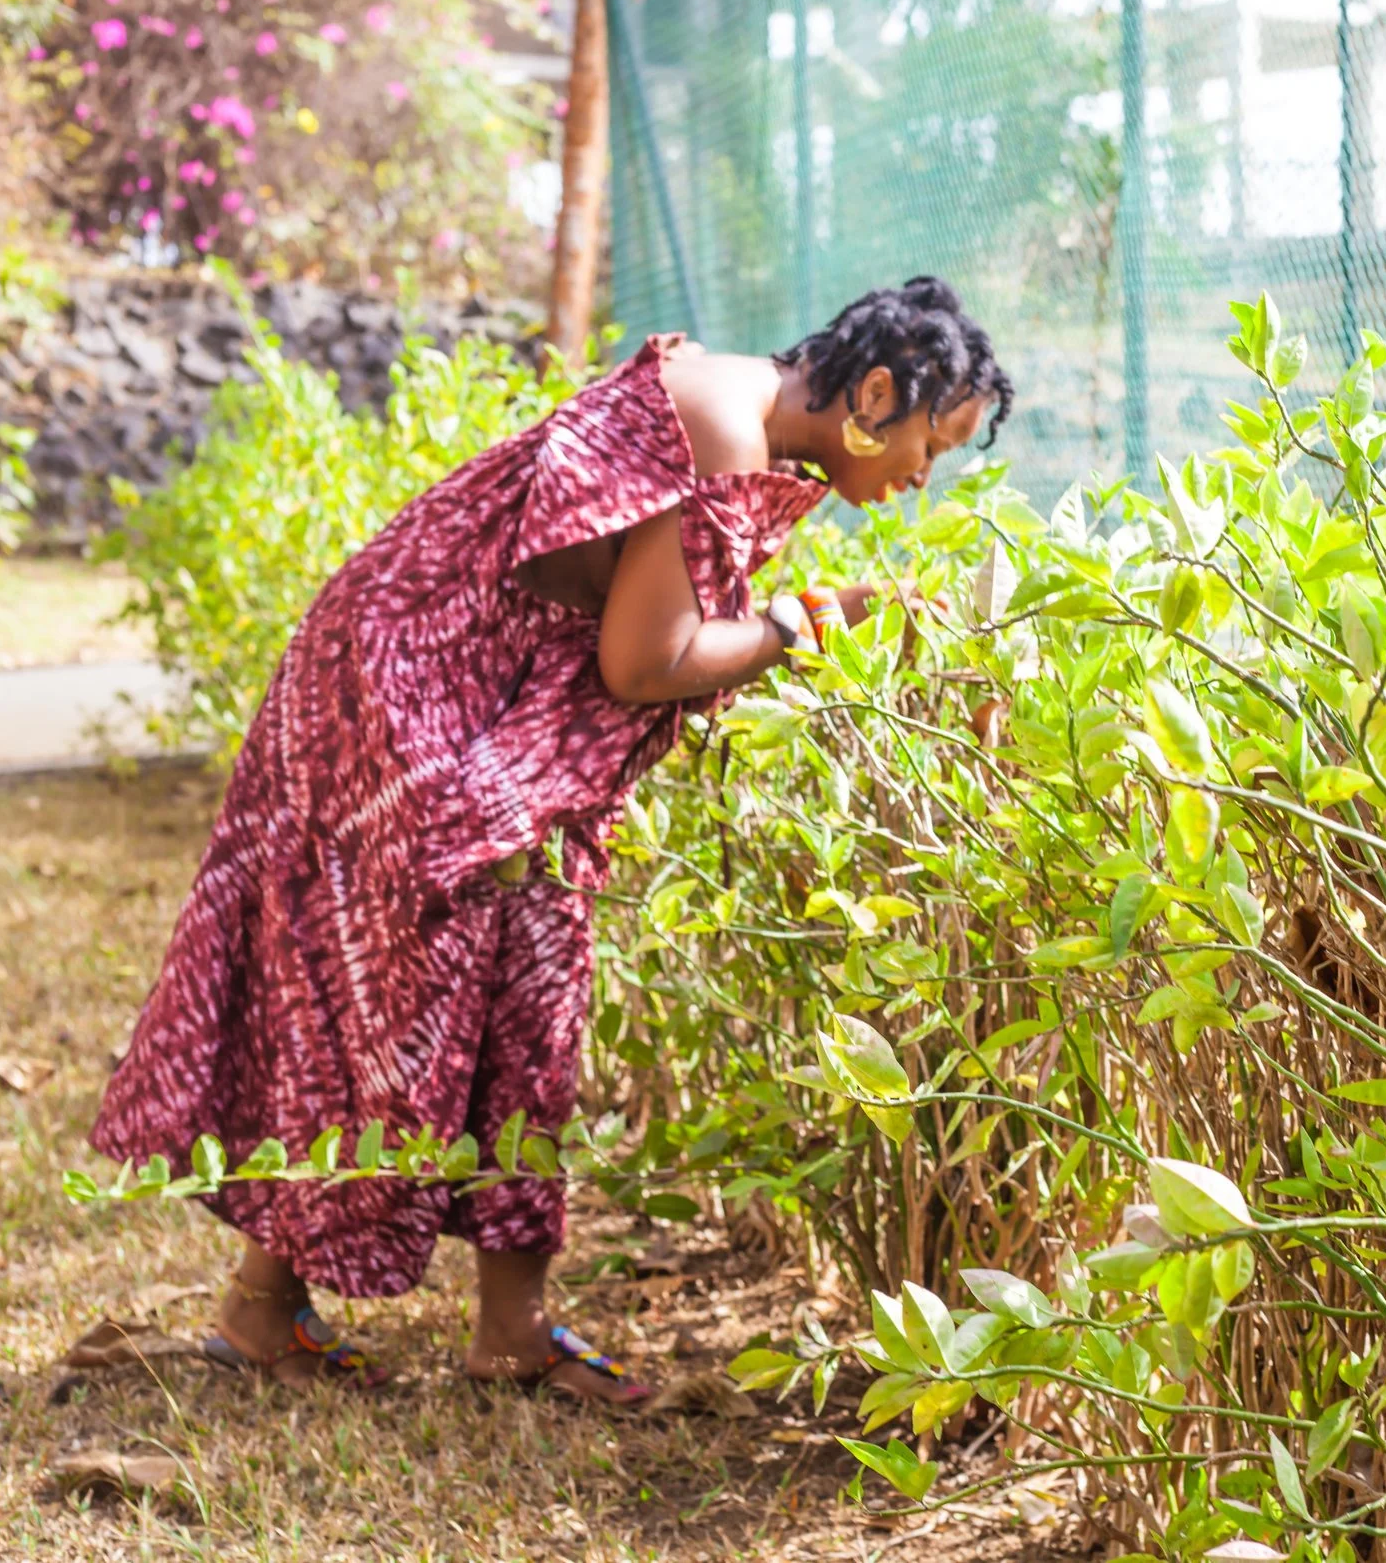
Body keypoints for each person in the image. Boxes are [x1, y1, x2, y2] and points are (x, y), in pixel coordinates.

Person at [89, 277, 1015, 1403]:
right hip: (414, 693)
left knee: (498, 977)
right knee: (412, 986)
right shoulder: (720, 428)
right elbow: (646, 661)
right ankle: (359, 1318)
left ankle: (385, 1320)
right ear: (876, 393)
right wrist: (797, 625)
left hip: (445, 682)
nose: (923, 475)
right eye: (932, 442)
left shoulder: (740, 413)